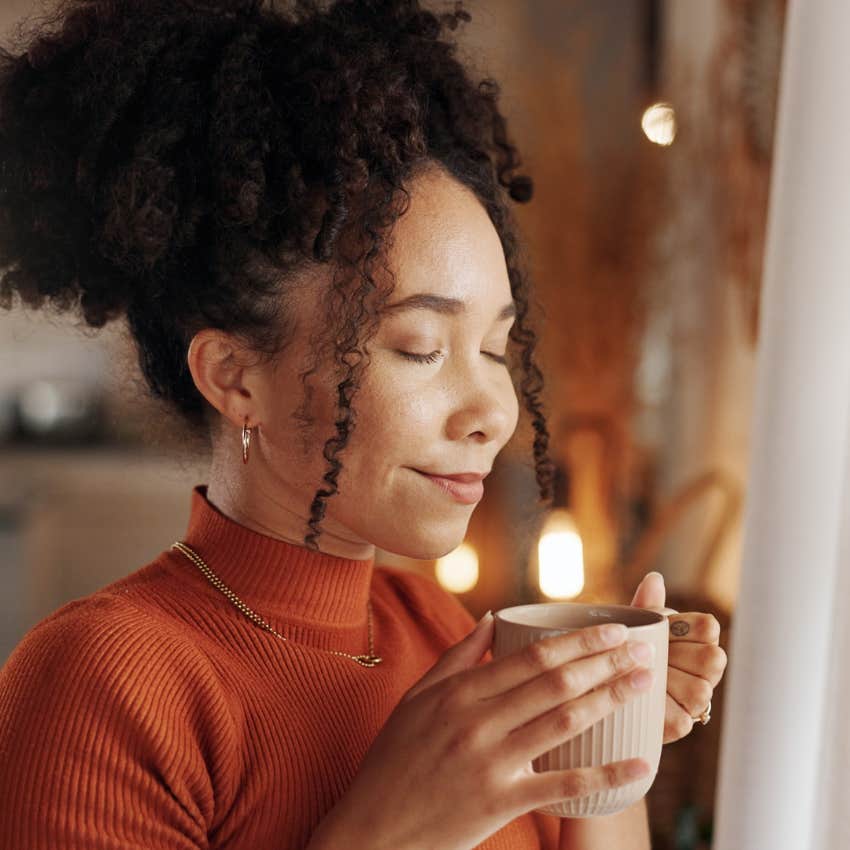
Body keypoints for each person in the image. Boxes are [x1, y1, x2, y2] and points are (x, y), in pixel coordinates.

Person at [0, 1, 727, 848]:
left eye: (496, 349)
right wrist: (394, 827)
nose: (494, 411)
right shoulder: (102, 685)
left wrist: (608, 739)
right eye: (419, 347)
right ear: (236, 379)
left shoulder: (444, 636)